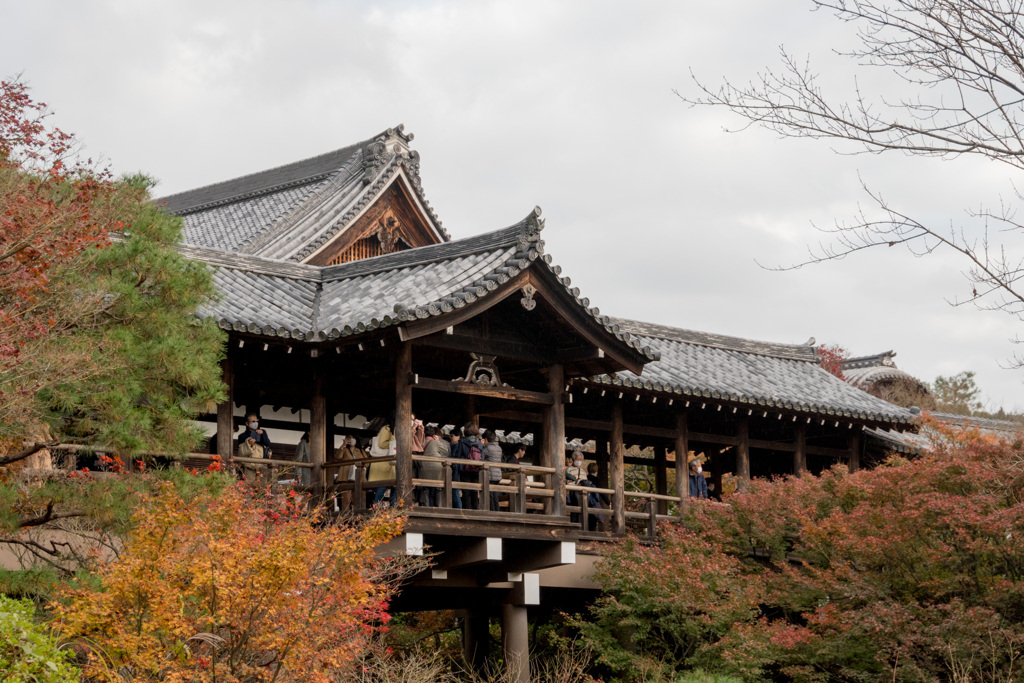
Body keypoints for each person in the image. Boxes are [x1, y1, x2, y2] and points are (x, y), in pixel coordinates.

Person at [450, 422, 483, 510]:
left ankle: (467, 510)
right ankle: (475, 509)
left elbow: (458, 456)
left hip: (465, 470)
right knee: (474, 491)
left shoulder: (462, 442)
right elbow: (482, 457)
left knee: (466, 491)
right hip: (476, 470)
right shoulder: (479, 444)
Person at [367, 417, 396, 507]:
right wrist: (395, 443)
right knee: (382, 486)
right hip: (382, 463)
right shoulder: (386, 429)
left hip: (387, 462)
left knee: (394, 485)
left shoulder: (392, 429)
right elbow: (382, 444)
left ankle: (392, 507)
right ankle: (376, 507)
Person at [419, 425, 448, 507]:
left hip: (424, 466)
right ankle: (439, 506)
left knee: (425, 488)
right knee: (438, 488)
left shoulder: (421, 442)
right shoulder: (435, 442)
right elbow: (445, 451)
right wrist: (438, 441)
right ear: (433, 434)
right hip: (436, 466)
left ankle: (426, 506)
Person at [237, 414, 271, 481]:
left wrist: (262, 434)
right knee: (249, 485)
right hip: (249, 465)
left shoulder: (263, 432)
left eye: (256, 421)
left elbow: (267, 443)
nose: (255, 423)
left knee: (262, 485)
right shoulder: (242, 436)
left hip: (262, 464)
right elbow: (241, 452)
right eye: (253, 421)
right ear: (247, 423)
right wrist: (249, 444)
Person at [333, 435, 362, 510]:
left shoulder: (358, 450)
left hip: (356, 476)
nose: (351, 440)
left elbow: (365, 461)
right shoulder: (344, 449)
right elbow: (338, 457)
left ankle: (356, 517)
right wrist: (343, 445)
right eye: (349, 438)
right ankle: (345, 518)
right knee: (345, 499)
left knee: (356, 499)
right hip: (345, 476)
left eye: (353, 438)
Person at [481, 430, 503, 511]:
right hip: (498, 475)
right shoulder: (499, 448)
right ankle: (497, 512)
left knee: (490, 496)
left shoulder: (487, 448)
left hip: (490, 475)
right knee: (495, 496)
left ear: (486, 440)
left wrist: (481, 445)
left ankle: (492, 512)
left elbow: (481, 456)